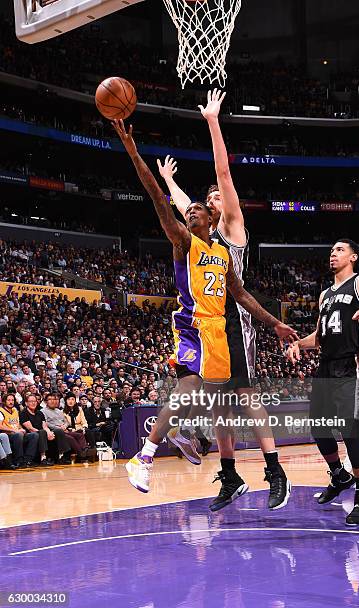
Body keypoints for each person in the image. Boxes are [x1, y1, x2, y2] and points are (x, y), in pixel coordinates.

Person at [112, 118, 297, 497]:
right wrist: (134, 151)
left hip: (218, 332)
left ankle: (184, 435)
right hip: (193, 326)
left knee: (210, 400)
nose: (192, 210)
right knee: (189, 391)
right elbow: (158, 197)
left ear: (212, 219)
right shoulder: (183, 240)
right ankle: (145, 456)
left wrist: (274, 323)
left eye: (199, 208)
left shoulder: (221, 253)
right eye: (190, 209)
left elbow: (242, 296)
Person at [157, 89, 292, 511]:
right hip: (208, 322)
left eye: (215, 197)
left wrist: (213, 122)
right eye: (208, 197)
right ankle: (230, 475)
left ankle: (275, 471)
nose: (212, 198)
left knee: (247, 396)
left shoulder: (232, 228)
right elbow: (183, 206)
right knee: (219, 404)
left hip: (235, 317)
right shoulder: (201, 234)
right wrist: (169, 182)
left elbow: (225, 175)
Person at [287, 239, 359, 525]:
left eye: (339, 250)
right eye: (331, 251)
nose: (333, 254)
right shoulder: (325, 294)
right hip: (326, 366)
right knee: (318, 428)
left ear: (353, 256)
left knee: (350, 431)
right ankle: (339, 475)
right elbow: (320, 336)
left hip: (353, 365)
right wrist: (299, 344)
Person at [41, 393, 88, 463]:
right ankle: (81, 454)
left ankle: (85, 450)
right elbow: (45, 423)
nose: (52, 401)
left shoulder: (59, 411)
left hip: (64, 429)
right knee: (71, 438)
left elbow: (67, 422)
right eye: (49, 399)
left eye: (54, 399)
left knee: (80, 435)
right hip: (55, 431)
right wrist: (58, 427)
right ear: (46, 401)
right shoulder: (43, 411)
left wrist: (64, 426)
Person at [0, 393, 38, 467]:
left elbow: (17, 423)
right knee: (18, 435)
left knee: (34, 435)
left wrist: (21, 428)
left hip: (17, 432)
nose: (11, 402)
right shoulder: (1, 411)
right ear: (4, 401)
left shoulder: (15, 410)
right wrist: (14, 430)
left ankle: (28, 460)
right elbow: (0, 426)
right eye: (9, 400)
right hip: (8, 434)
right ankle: (19, 460)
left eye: (12, 400)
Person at [20, 394, 57, 466]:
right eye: (31, 401)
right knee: (42, 432)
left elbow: (45, 426)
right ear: (26, 403)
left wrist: (49, 432)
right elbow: (30, 428)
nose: (33, 403)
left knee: (57, 431)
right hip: (30, 434)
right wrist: (44, 433)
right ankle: (43, 457)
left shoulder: (40, 413)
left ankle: (59, 457)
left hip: (41, 432)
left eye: (34, 401)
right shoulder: (23, 413)